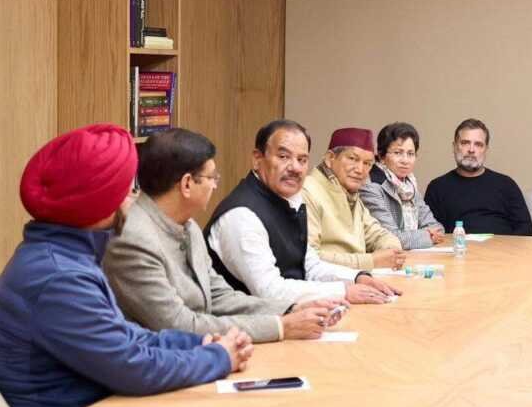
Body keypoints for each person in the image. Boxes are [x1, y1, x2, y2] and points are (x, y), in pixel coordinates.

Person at [0, 124, 251, 407]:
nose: (133, 198)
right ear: (100, 200)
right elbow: (133, 368)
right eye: (127, 189)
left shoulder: (60, 256)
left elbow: (123, 337)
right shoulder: (61, 278)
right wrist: (218, 358)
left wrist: (197, 344)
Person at [104, 129, 347, 343]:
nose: (215, 186)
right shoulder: (133, 240)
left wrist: (290, 309)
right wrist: (280, 327)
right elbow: (179, 325)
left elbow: (219, 296)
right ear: (187, 184)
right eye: (212, 178)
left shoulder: (188, 226)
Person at [205, 119, 399, 306]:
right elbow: (270, 290)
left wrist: (357, 277)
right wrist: (343, 291)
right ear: (257, 159)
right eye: (283, 157)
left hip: (291, 314)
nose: (295, 168)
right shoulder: (241, 215)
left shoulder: (289, 199)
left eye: (302, 159)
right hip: (248, 324)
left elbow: (309, 264)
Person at [302, 128, 406, 269]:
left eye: (367, 163)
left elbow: (378, 234)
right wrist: (370, 261)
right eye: (352, 159)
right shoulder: (307, 191)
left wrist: (392, 251)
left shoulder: (350, 193)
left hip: (358, 277)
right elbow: (308, 258)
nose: (360, 170)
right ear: (330, 158)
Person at [425, 119, 532, 236]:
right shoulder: (437, 188)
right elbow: (431, 234)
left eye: (478, 144)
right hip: (458, 246)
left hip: (502, 247)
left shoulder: (506, 185)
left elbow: (527, 232)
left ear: (486, 150)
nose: (471, 150)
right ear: (454, 147)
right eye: (465, 143)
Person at [360, 122, 445, 250]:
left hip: (412, 256)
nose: (405, 160)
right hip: (385, 258)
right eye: (398, 153)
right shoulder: (371, 186)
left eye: (410, 154)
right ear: (382, 156)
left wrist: (422, 235)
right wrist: (427, 236)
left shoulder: (409, 184)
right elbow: (390, 238)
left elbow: (437, 228)